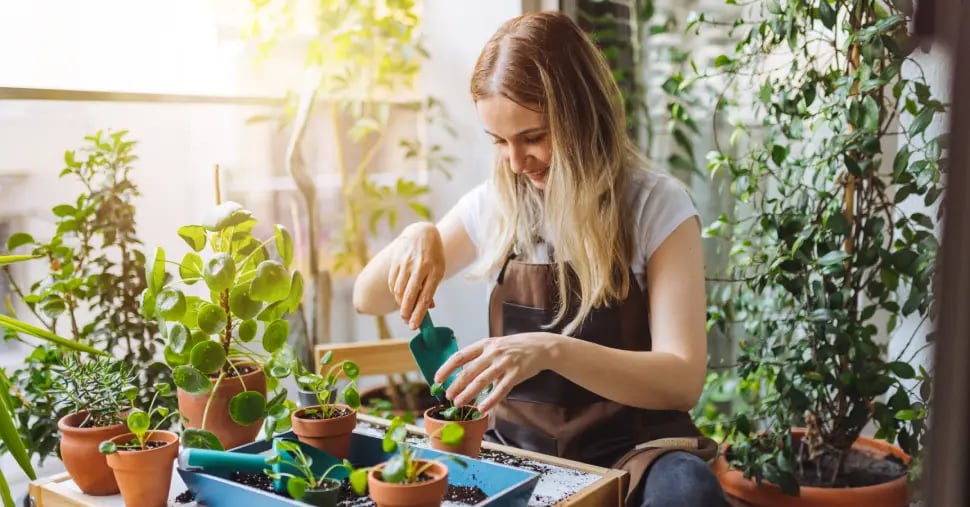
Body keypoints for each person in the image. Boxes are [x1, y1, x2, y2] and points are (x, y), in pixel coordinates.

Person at [353, 11, 728, 507]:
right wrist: (416, 235)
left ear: (582, 114)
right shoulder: (500, 202)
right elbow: (368, 297)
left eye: (533, 137)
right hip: (518, 453)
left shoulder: (655, 206)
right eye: (500, 142)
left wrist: (552, 350)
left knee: (688, 492)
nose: (515, 161)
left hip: (634, 452)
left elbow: (682, 382)